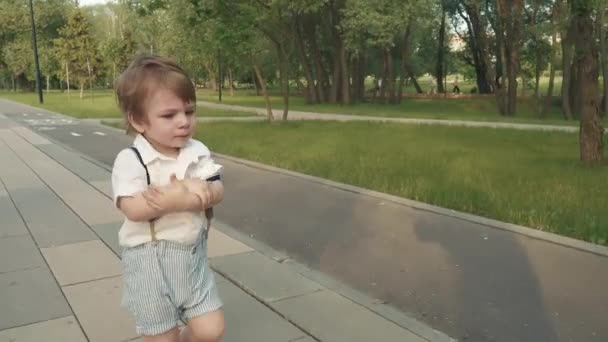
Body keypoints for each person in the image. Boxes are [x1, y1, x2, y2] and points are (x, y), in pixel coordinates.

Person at [111, 54, 225, 342]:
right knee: (162, 336)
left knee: (211, 330)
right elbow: (133, 208)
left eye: (189, 112)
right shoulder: (133, 159)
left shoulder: (196, 150)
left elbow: (217, 190)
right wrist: (180, 196)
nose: (183, 123)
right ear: (138, 121)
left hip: (192, 256)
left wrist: (200, 191)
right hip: (149, 261)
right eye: (169, 115)